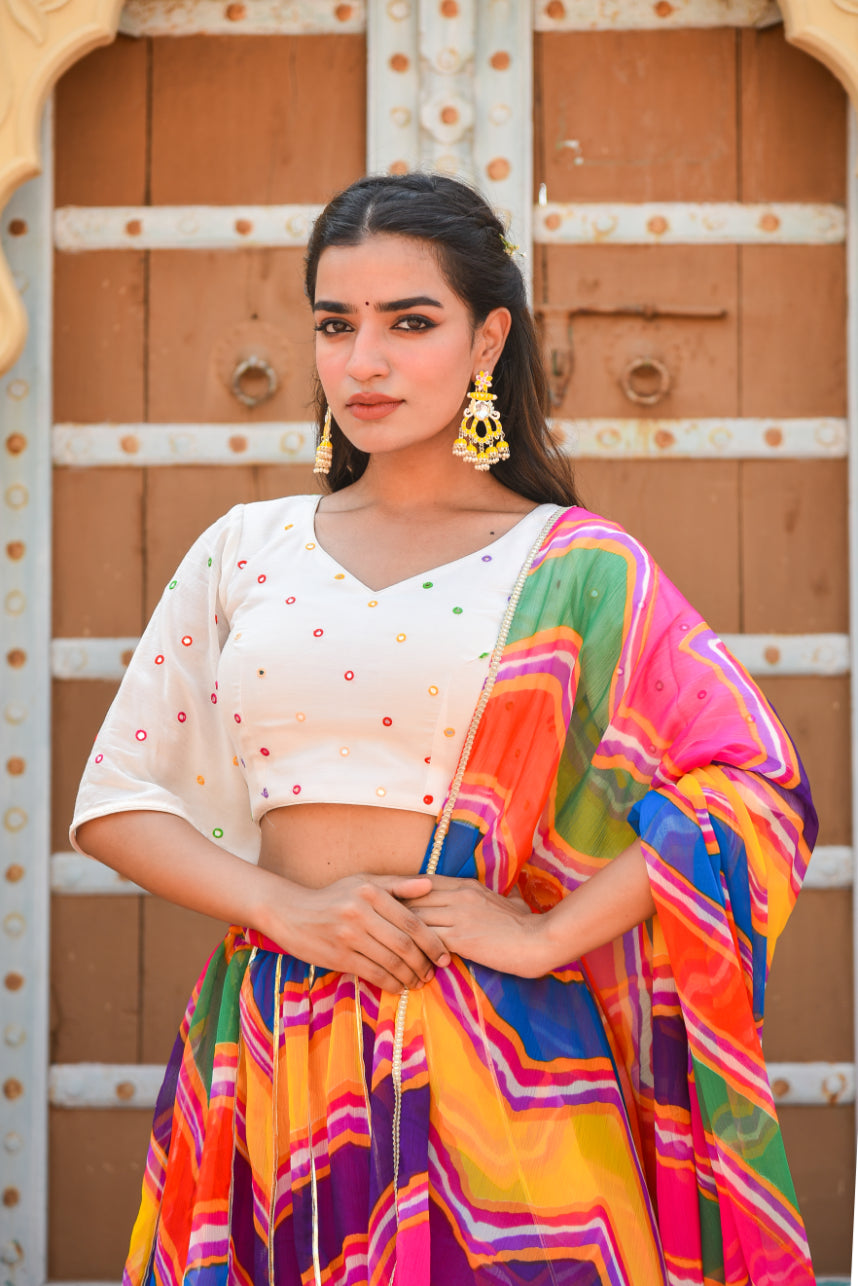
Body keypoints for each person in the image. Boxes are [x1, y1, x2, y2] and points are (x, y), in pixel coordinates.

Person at [71, 172, 817, 1286]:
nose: (363, 362)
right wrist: (286, 908)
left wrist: (544, 939)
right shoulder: (247, 548)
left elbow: (753, 786)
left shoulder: (576, 564)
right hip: (273, 1049)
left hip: (506, 1065)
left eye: (409, 323)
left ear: (488, 339)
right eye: (336, 324)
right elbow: (117, 798)